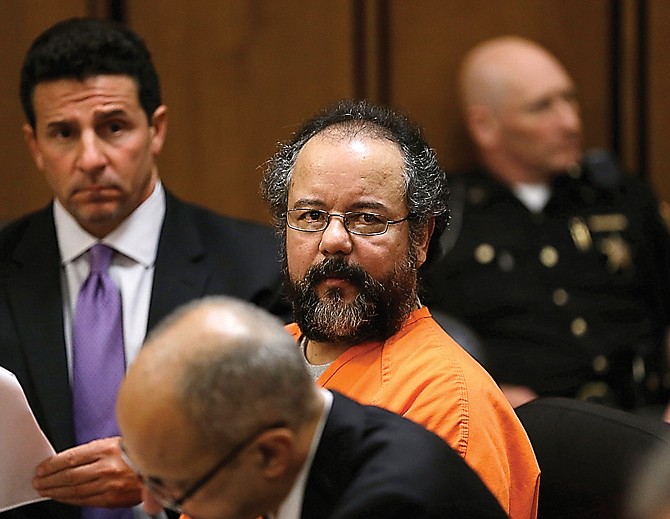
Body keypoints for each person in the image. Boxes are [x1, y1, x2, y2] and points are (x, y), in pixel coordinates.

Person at [0, 17, 286, 519]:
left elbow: (290, 443)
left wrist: (166, 473)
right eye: (63, 133)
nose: (90, 158)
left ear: (155, 129)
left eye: (113, 127)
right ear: (34, 147)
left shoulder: (256, 271)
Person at [260, 98, 540, 517]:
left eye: (367, 218)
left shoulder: (449, 402)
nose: (333, 239)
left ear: (421, 238)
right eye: (311, 215)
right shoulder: (259, 362)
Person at [423, 35, 670, 410]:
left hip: (644, 416)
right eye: (541, 108)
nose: (571, 122)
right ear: (485, 127)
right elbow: (413, 341)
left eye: (569, 99)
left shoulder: (620, 196)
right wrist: (482, 396)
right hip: (527, 433)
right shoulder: (447, 220)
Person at [116, 296, 508, 519]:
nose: (151, 506)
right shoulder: (331, 438)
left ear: (271, 454)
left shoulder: (392, 508)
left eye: (174, 488)